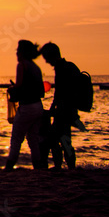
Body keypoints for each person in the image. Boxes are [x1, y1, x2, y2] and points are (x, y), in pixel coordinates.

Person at [4, 40, 46, 171]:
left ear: (22, 53)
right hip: (38, 106)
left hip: (27, 107)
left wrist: (12, 89)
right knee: (33, 139)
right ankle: (37, 166)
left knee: (16, 138)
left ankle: (9, 166)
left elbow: (20, 86)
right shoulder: (36, 67)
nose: (16, 53)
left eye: (18, 50)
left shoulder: (21, 65)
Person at [40, 42, 80, 170]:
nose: (46, 62)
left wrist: (52, 109)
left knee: (52, 140)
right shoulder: (68, 67)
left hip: (64, 111)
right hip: (69, 110)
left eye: (46, 58)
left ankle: (60, 166)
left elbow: (60, 93)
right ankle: (68, 167)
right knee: (64, 139)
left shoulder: (61, 68)